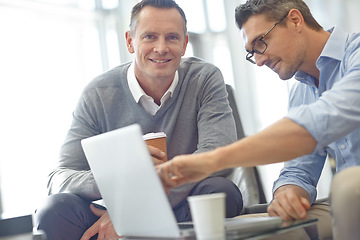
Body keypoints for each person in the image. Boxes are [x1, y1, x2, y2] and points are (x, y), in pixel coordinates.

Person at [34, 0, 244, 239]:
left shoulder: (204, 78)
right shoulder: (98, 93)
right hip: (110, 209)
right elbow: (59, 177)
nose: (161, 48)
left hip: (178, 202)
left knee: (221, 192)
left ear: (185, 44)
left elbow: (218, 156)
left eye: (172, 37)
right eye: (150, 37)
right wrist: (122, 174)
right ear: (130, 41)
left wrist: (137, 210)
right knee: (54, 211)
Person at [158, 0, 360, 239]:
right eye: (252, 53)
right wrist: (288, 193)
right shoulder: (301, 91)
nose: (260, 61)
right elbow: (298, 170)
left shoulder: (355, 54)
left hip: (350, 194)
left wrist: (210, 161)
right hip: (346, 206)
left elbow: (317, 123)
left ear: (295, 20)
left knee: (348, 186)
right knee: (262, 229)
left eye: (261, 43)